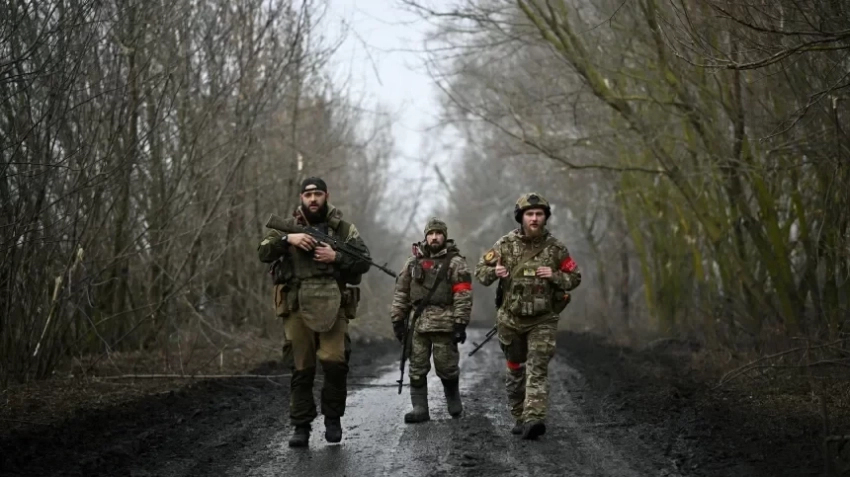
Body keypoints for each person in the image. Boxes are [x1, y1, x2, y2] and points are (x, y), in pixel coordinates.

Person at [258, 177, 370, 447]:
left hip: (334, 302)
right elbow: (263, 252)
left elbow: (365, 261)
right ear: (301, 198)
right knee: (301, 366)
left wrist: (336, 257)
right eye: (307, 195)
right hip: (296, 304)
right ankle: (301, 426)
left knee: (335, 361)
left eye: (317, 194)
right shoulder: (287, 226)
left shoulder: (343, 229)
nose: (312, 199)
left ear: (326, 196)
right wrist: (288, 239)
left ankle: (332, 419)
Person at [473, 193, 581, 440]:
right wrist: (495, 272)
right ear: (521, 217)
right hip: (510, 320)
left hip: (543, 319)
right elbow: (480, 272)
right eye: (529, 214)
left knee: (537, 366)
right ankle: (519, 415)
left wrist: (554, 275)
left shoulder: (556, 249)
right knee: (515, 368)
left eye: (539, 214)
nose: (534, 218)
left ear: (545, 217)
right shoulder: (504, 245)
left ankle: (534, 418)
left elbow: (575, 278)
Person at [390, 217, 473, 423]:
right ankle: (420, 408)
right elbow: (401, 293)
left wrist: (460, 323)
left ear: (445, 236)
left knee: (447, 366)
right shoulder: (412, 262)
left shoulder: (455, 262)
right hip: (417, 323)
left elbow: (463, 294)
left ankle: (453, 399)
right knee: (417, 367)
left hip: (445, 322)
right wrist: (398, 320)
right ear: (425, 236)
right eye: (431, 234)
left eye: (438, 233)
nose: (434, 237)